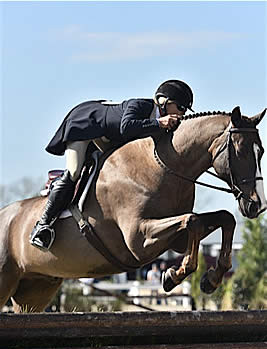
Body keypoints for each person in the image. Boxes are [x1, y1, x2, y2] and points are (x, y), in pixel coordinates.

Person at [30, 80, 194, 251]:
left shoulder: (161, 121)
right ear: (165, 101)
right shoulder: (142, 105)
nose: (181, 114)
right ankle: (43, 225)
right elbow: (126, 128)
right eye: (181, 108)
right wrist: (159, 124)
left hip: (105, 135)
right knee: (74, 171)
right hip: (84, 124)